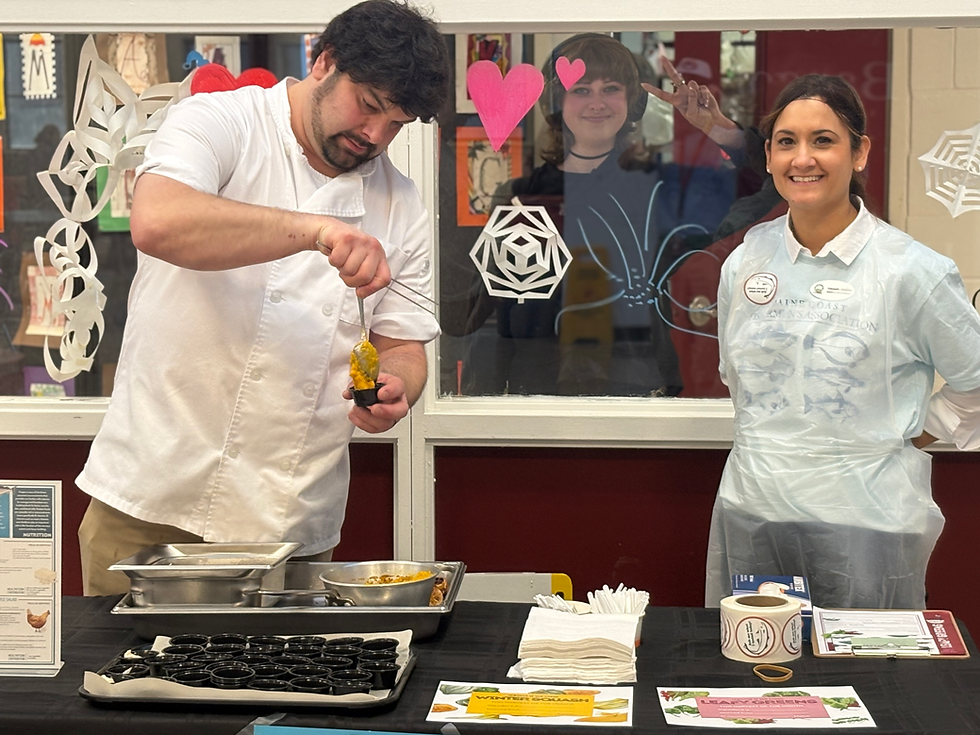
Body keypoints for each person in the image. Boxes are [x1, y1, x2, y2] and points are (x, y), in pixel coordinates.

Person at [74, 0, 450, 595]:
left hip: (291, 517)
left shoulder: (401, 204)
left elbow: (402, 343)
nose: (375, 137)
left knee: (278, 684)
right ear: (323, 61)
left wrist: (399, 386)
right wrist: (315, 230)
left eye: (396, 124)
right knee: (128, 677)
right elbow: (158, 221)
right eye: (370, 106)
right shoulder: (220, 122)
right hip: (149, 499)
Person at [703, 74, 980, 609]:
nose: (802, 158)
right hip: (754, 512)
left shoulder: (911, 271)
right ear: (768, 156)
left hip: (867, 523)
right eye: (787, 141)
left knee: (869, 682)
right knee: (755, 682)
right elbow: (735, 377)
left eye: (823, 140)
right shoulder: (744, 263)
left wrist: (907, 437)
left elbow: (977, 379)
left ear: (859, 153)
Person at [475, 34, 693, 397]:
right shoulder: (522, 195)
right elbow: (490, 304)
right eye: (580, 90)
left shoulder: (659, 188)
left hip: (634, 382)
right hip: (534, 383)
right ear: (557, 101)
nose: (597, 103)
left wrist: (712, 128)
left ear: (632, 101)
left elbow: (758, 197)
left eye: (610, 88)